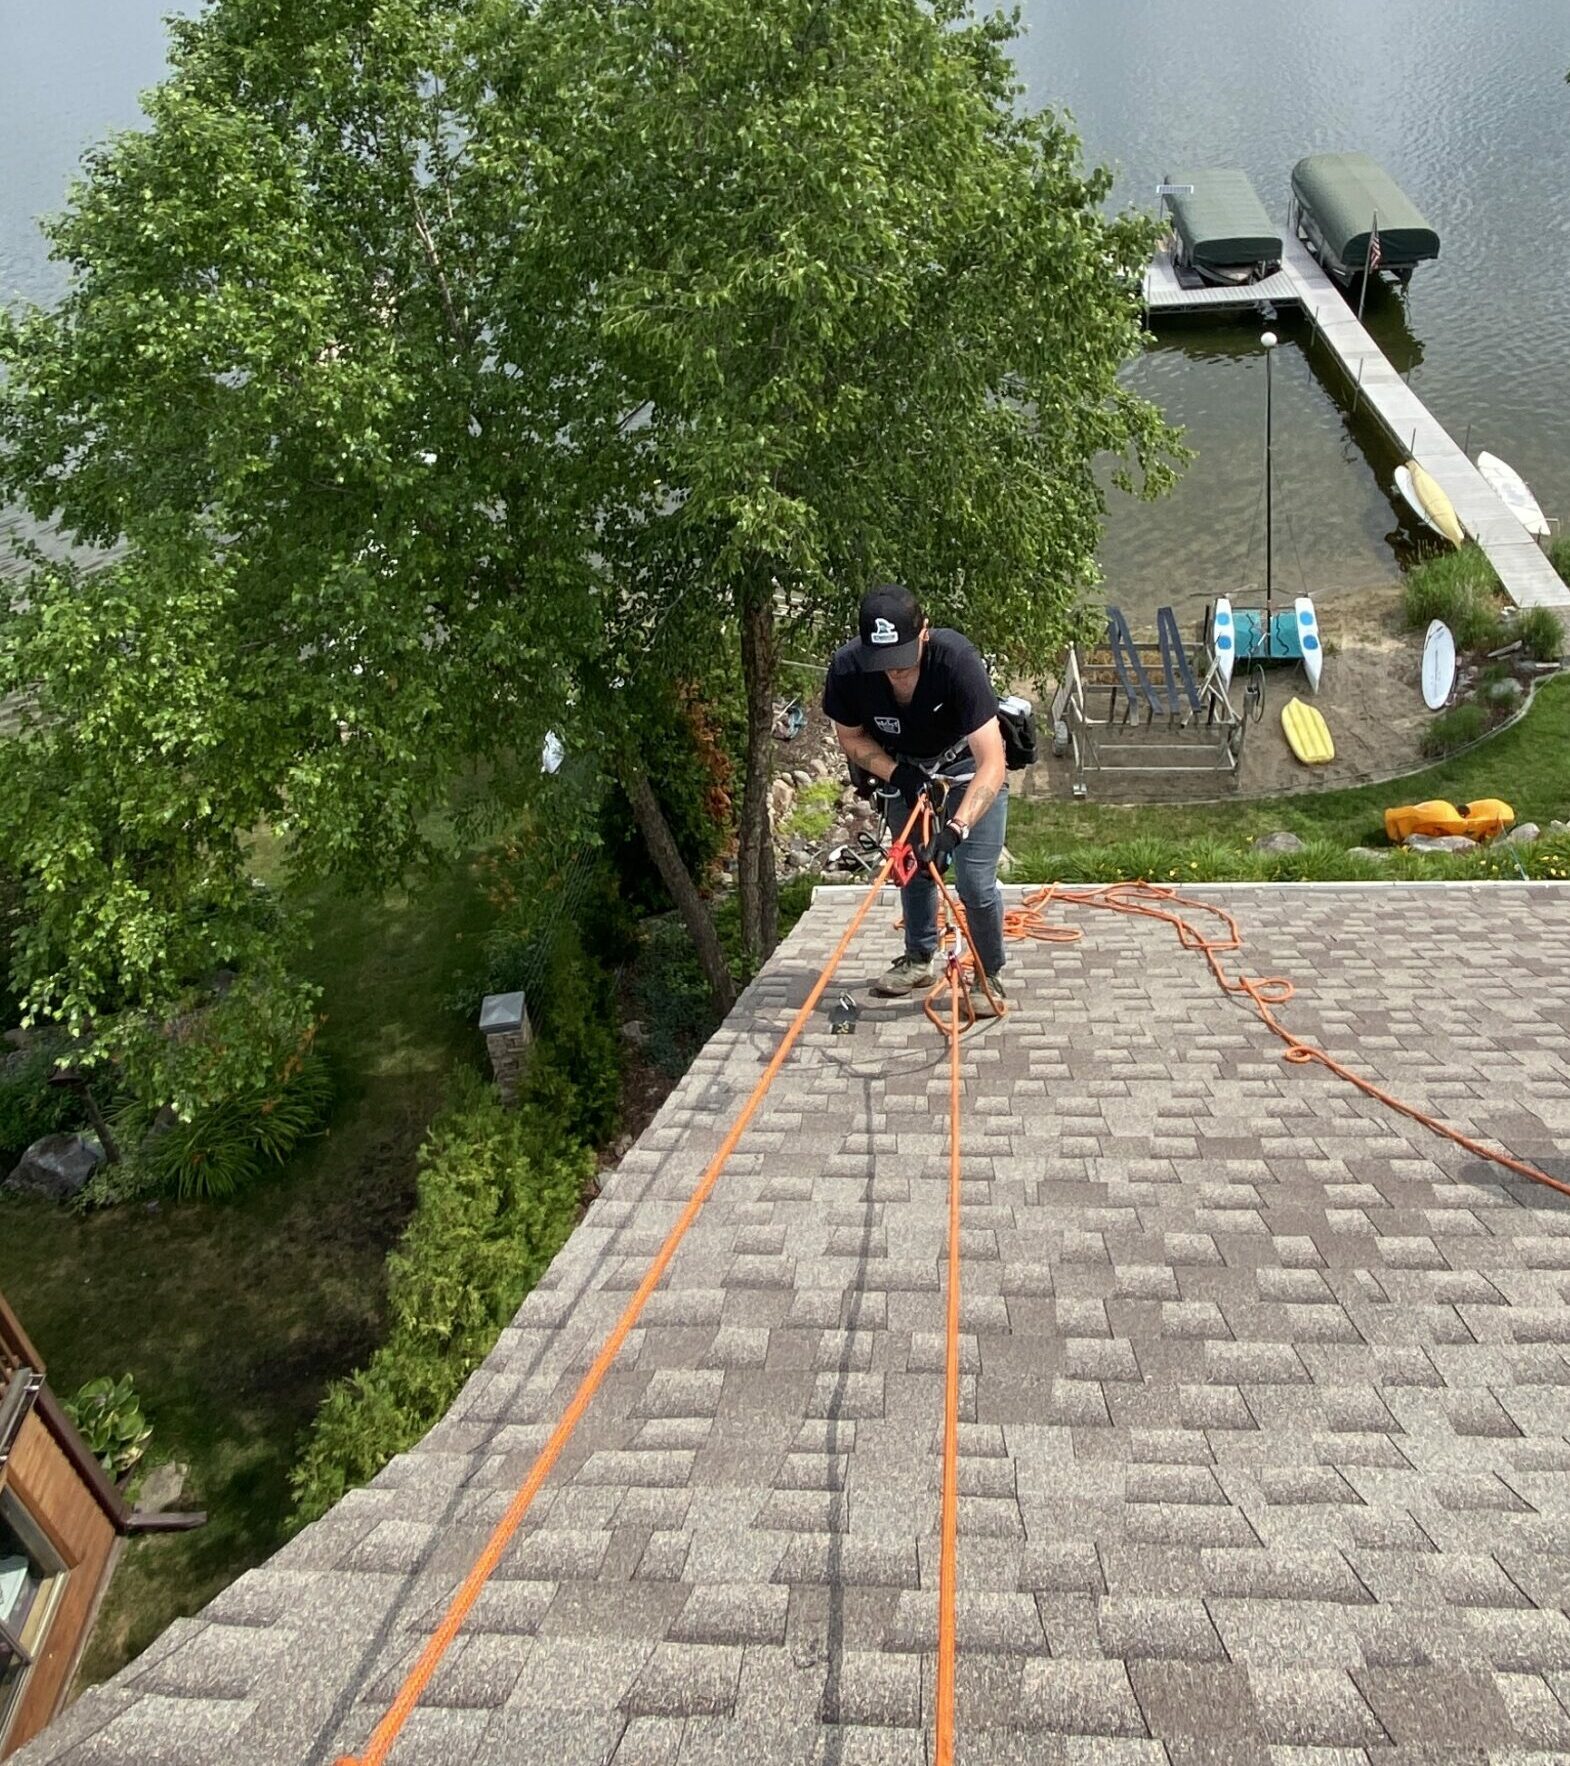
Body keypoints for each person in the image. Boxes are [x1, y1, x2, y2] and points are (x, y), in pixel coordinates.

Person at [823, 584, 1009, 1011]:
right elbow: (850, 738)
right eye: (883, 663)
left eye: (903, 661)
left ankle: (987, 974)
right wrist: (897, 774)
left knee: (975, 883)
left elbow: (992, 762)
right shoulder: (848, 669)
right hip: (904, 770)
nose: (895, 672)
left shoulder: (956, 661)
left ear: (924, 632)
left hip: (966, 767)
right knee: (913, 868)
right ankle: (919, 957)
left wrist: (956, 830)